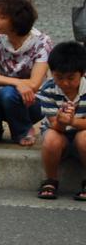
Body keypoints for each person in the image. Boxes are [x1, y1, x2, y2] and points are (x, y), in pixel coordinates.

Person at [0, 0, 51, 146]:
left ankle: (24, 130)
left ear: (17, 21)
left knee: (8, 93)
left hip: (32, 102)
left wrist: (11, 85)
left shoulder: (41, 42)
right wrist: (17, 83)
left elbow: (34, 84)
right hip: (5, 95)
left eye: (2, 17)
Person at [35, 41, 86, 201]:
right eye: (59, 77)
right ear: (52, 73)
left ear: (82, 73)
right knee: (51, 139)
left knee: (84, 138)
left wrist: (72, 121)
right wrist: (62, 121)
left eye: (71, 78)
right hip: (58, 132)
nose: (65, 83)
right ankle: (51, 180)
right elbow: (54, 125)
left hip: (82, 132)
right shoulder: (47, 89)